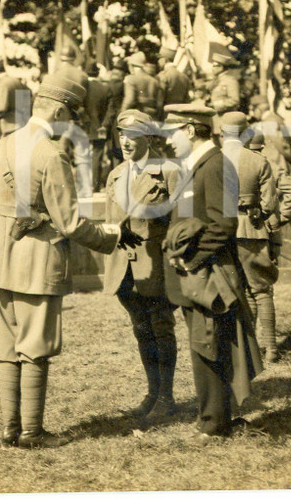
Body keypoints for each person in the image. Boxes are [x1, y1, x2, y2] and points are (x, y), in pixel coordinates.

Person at [0, 75, 131, 449]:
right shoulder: (51, 153)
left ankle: (9, 430)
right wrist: (114, 235)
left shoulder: (1, 146)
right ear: (60, 109)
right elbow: (70, 223)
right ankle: (32, 432)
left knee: (6, 347)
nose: (72, 123)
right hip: (37, 263)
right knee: (36, 346)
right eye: (72, 114)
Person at [161, 102, 262, 443]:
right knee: (203, 342)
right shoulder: (196, 164)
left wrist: (191, 261)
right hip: (197, 273)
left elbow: (223, 225)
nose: (168, 140)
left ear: (190, 130)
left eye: (172, 132)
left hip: (208, 273)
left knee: (208, 343)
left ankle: (214, 423)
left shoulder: (216, 165)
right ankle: (214, 416)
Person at [103, 109, 179, 421]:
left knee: (161, 328)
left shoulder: (170, 172)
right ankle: (152, 392)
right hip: (124, 268)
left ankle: (166, 397)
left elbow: (182, 221)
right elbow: (110, 222)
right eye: (122, 135)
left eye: (133, 136)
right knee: (141, 329)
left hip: (156, 265)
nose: (126, 142)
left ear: (148, 137)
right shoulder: (116, 174)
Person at [219, 112, 281, 363]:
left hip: (222, 230)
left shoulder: (214, 159)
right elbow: (270, 203)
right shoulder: (258, 161)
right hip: (252, 230)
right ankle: (272, 348)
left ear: (222, 133)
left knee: (235, 291)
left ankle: (245, 349)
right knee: (262, 291)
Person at [0, 58, 31, 140]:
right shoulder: (16, 81)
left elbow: (2, 108)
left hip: (9, 126)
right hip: (22, 122)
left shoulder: (3, 84)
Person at [120, 52, 163, 120]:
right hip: (152, 118)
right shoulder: (154, 81)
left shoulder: (131, 79)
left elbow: (129, 101)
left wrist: (121, 116)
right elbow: (160, 105)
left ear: (131, 65)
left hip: (137, 118)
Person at [209, 49, 241, 115]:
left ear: (221, 67)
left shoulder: (230, 81)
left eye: (215, 66)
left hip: (226, 116)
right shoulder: (215, 81)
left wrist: (216, 105)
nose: (212, 69)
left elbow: (234, 100)